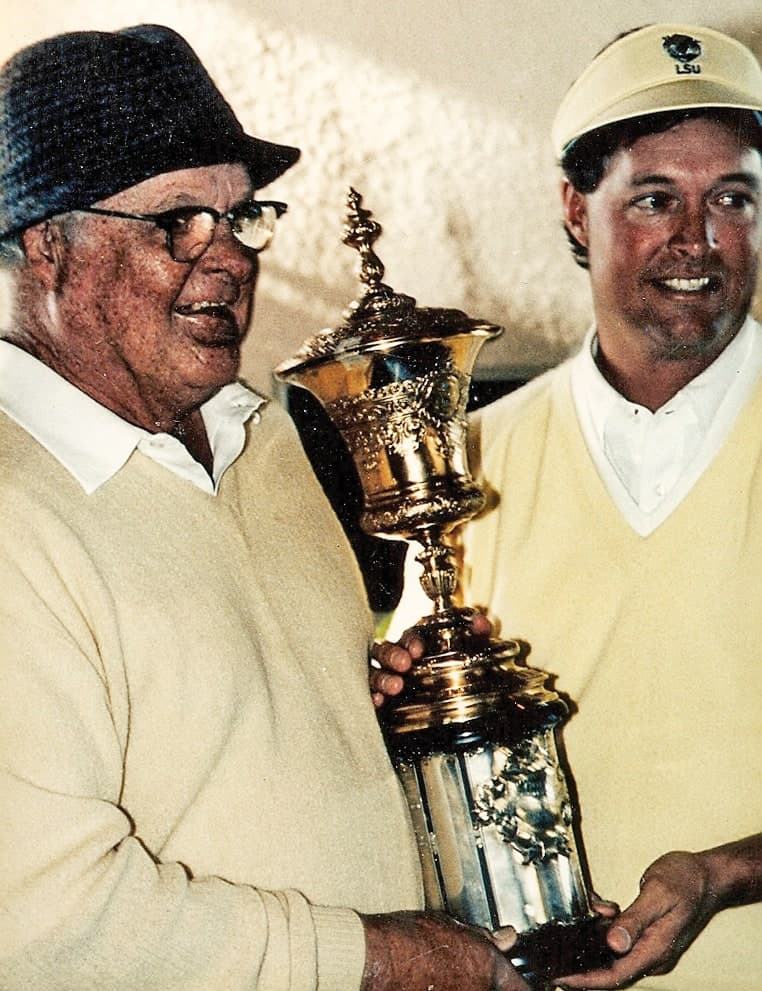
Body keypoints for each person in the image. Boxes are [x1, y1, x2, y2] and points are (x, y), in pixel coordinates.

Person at [0, 25, 529, 991]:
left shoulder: (267, 436)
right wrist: (384, 961)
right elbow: (43, 922)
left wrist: (371, 707)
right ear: (48, 246)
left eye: (241, 217)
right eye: (178, 222)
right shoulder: (13, 513)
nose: (230, 259)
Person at [375, 22, 762, 991]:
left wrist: (725, 873)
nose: (698, 238)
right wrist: (388, 694)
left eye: (734, 196)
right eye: (654, 198)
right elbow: (420, 766)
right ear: (575, 211)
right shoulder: (464, 463)